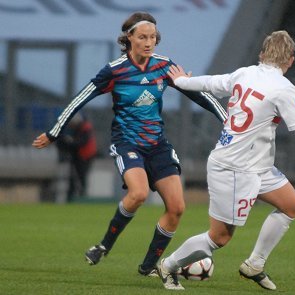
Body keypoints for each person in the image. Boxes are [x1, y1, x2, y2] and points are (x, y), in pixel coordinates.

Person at [32, 11, 226, 277]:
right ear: (129, 38)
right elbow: (80, 99)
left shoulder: (164, 65)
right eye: (143, 37)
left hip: (157, 145)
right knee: (138, 194)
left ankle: (148, 267)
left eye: (153, 37)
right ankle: (104, 245)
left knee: (177, 207)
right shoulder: (114, 70)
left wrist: (228, 121)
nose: (148, 42)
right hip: (127, 143)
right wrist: (54, 133)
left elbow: (197, 93)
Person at [157, 30, 295, 290]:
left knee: (291, 204)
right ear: (291, 61)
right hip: (234, 167)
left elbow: (210, 83)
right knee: (219, 238)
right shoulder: (284, 89)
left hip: (258, 166)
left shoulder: (245, 73)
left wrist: (183, 82)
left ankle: (255, 264)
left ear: (262, 54)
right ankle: (168, 266)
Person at [56, 112, 97, 202]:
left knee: (81, 177)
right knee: (74, 178)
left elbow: (81, 143)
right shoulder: (79, 128)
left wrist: (71, 142)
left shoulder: (86, 128)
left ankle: (82, 197)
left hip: (85, 156)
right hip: (78, 156)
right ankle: (72, 197)